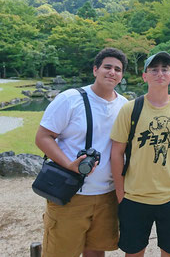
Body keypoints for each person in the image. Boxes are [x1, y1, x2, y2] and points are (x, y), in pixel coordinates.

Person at [35, 47, 129, 257]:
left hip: (107, 195)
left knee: (96, 252)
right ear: (95, 70)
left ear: (122, 76)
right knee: (60, 253)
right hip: (70, 193)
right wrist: (69, 164)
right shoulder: (70, 99)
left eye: (117, 69)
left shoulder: (125, 105)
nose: (112, 72)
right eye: (107, 67)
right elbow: (42, 137)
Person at [110, 51, 170, 257]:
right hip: (135, 196)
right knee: (133, 251)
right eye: (154, 70)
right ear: (145, 76)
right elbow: (117, 152)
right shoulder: (131, 109)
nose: (160, 73)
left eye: (165, 69)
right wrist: (120, 191)